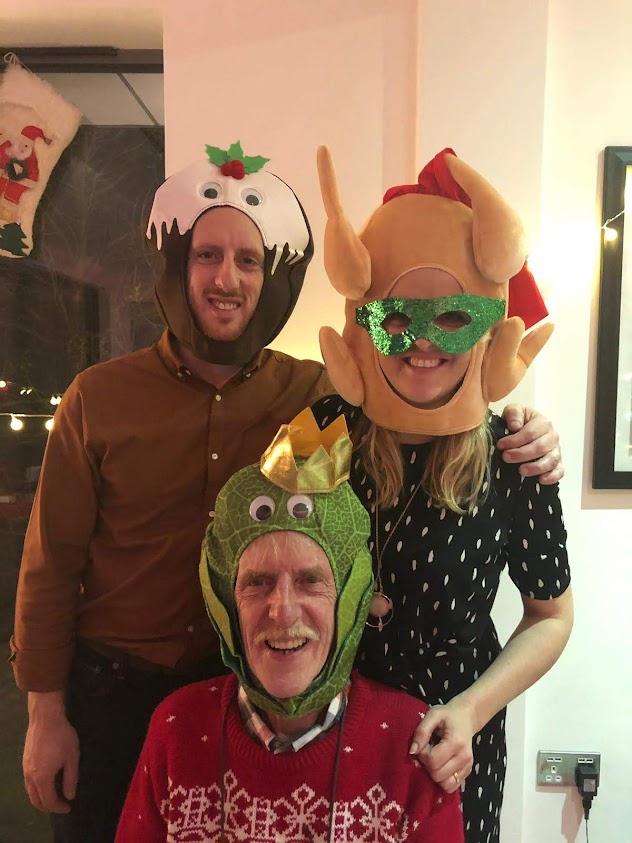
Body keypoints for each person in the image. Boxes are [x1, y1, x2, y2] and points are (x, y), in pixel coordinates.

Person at [11, 140, 561, 843]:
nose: (226, 277)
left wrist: (526, 424)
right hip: (166, 699)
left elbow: (549, 612)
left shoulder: (329, 405)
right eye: (207, 255)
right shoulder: (311, 418)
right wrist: (44, 712)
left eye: (247, 259)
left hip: (397, 730)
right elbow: (53, 566)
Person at [310, 146, 574, 843]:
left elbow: (551, 615)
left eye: (453, 316)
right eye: (395, 317)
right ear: (365, 318)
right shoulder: (323, 429)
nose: (420, 342)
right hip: (330, 731)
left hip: (453, 746)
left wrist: (473, 710)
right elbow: (259, 543)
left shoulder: (514, 455)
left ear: (487, 321)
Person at [116, 411, 465, 842]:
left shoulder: (412, 746)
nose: (283, 612)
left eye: (310, 581)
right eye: (257, 583)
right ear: (226, 601)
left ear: (350, 598)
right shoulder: (177, 729)